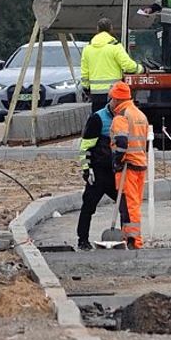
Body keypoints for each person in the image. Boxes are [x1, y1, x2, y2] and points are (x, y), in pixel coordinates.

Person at [107, 81, 149, 249]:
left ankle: (133, 241)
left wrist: (117, 160)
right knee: (134, 204)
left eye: (111, 98)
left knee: (129, 206)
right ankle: (128, 238)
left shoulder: (122, 116)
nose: (110, 102)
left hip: (128, 167)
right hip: (140, 164)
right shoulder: (139, 115)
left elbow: (122, 142)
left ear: (116, 99)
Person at [75, 101, 118, 251]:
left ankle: (130, 239)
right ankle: (82, 240)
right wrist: (87, 170)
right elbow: (85, 147)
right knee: (88, 206)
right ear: (112, 101)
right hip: (99, 173)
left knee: (125, 206)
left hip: (116, 173)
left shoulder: (126, 117)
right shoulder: (97, 119)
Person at [80, 18, 140, 110]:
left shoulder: (87, 49)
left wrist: (86, 88)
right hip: (114, 94)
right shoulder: (115, 47)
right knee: (115, 119)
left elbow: (84, 73)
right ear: (111, 29)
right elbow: (129, 66)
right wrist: (141, 68)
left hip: (96, 95)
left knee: (99, 120)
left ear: (97, 29)